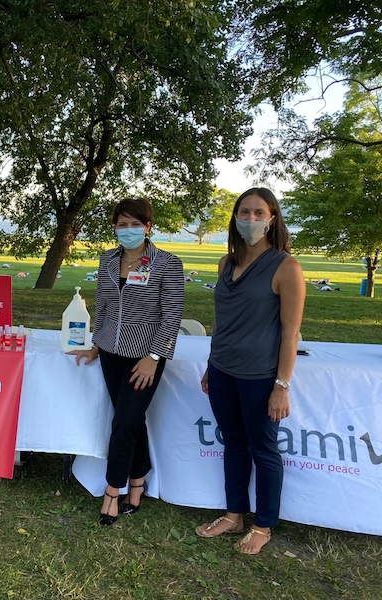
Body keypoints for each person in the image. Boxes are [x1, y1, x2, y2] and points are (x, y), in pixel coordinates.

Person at [195, 187, 305, 554]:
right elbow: (222, 321)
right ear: (235, 217)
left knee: (264, 449)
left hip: (260, 377)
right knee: (233, 443)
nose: (251, 219)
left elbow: (290, 333)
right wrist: (211, 365)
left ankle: (263, 525)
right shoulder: (225, 263)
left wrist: (281, 386)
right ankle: (234, 515)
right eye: (245, 212)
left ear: (272, 219)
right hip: (222, 370)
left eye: (259, 213)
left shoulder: (286, 267)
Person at [68, 197, 183, 526]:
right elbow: (103, 306)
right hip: (110, 352)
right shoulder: (107, 259)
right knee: (130, 420)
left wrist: (154, 357)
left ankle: (111, 491)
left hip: (144, 357)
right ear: (114, 228)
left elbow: (172, 317)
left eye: (135, 224)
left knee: (123, 423)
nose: (128, 229)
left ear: (147, 226)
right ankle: (137, 481)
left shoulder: (167, 263)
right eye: (122, 224)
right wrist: (95, 345)